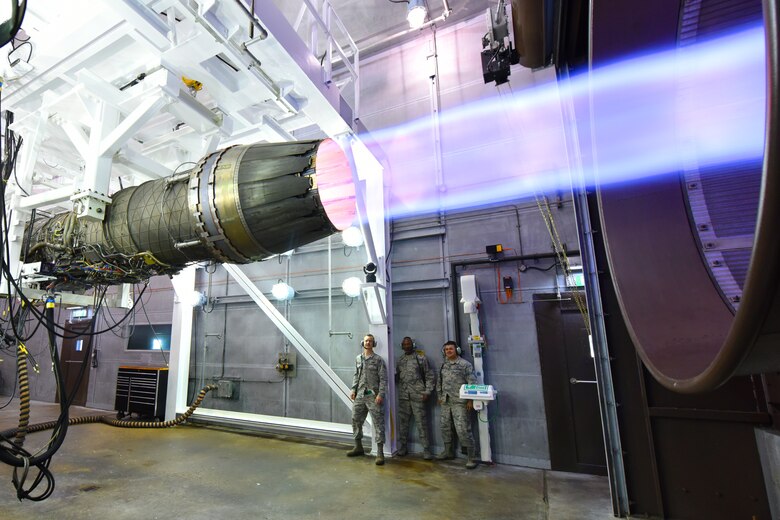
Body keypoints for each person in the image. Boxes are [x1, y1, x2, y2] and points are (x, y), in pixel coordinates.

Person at [436, 340, 478, 469]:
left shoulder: (465, 365)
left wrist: (470, 400)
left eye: (451, 349)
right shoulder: (444, 365)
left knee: (463, 429)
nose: (448, 351)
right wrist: (440, 396)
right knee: (445, 427)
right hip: (446, 401)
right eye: (446, 349)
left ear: (457, 350)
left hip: (460, 402)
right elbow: (440, 381)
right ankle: (448, 452)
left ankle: (471, 457)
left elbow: (472, 383)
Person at [347, 333, 388, 466]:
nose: (368, 343)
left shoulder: (378, 360)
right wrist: (353, 389)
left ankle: (380, 452)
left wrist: (381, 394)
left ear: (373, 344)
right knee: (355, 419)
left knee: (378, 422)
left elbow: (383, 379)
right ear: (362, 343)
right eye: (366, 341)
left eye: (370, 341)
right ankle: (358, 446)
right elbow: (356, 374)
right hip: (360, 394)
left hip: (373, 396)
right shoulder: (358, 358)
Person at [395, 336, 435, 460]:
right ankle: (403, 446)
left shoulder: (421, 358)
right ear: (402, 346)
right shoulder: (400, 360)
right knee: (403, 424)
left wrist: (427, 392)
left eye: (408, 344)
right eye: (404, 344)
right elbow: (397, 377)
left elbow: (429, 376)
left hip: (418, 396)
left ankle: (426, 449)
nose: (406, 346)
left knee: (421, 423)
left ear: (412, 345)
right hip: (404, 397)